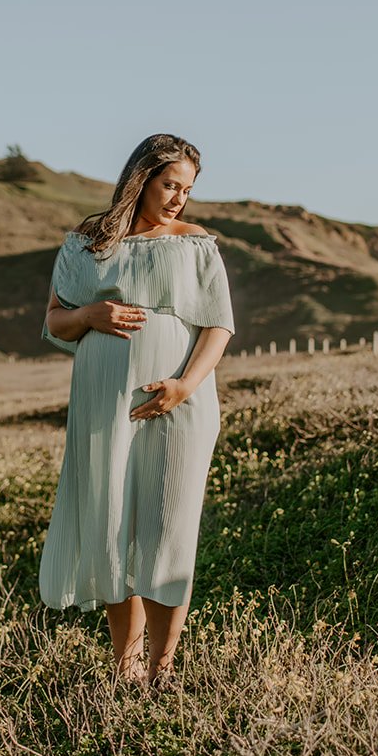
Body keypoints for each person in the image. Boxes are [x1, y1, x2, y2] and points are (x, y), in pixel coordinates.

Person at [39, 133, 234, 685]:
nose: (179, 198)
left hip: (179, 404)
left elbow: (219, 326)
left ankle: (162, 670)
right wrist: (90, 316)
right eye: (170, 184)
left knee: (169, 530)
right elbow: (55, 320)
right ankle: (125, 671)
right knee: (113, 528)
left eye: (188, 189)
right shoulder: (88, 243)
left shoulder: (196, 244)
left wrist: (183, 386)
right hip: (105, 406)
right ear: (141, 177)